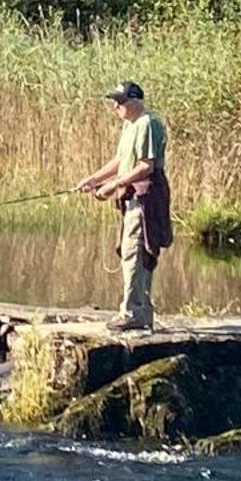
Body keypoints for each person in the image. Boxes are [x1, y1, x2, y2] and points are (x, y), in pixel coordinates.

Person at [75, 80, 173, 332]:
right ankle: (139, 310)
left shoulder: (147, 123)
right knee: (131, 251)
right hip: (132, 195)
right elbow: (120, 160)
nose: (115, 106)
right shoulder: (130, 126)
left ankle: (133, 313)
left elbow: (146, 166)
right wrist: (94, 180)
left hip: (145, 197)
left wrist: (113, 186)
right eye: (114, 101)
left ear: (135, 101)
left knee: (135, 251)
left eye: (119, 101)